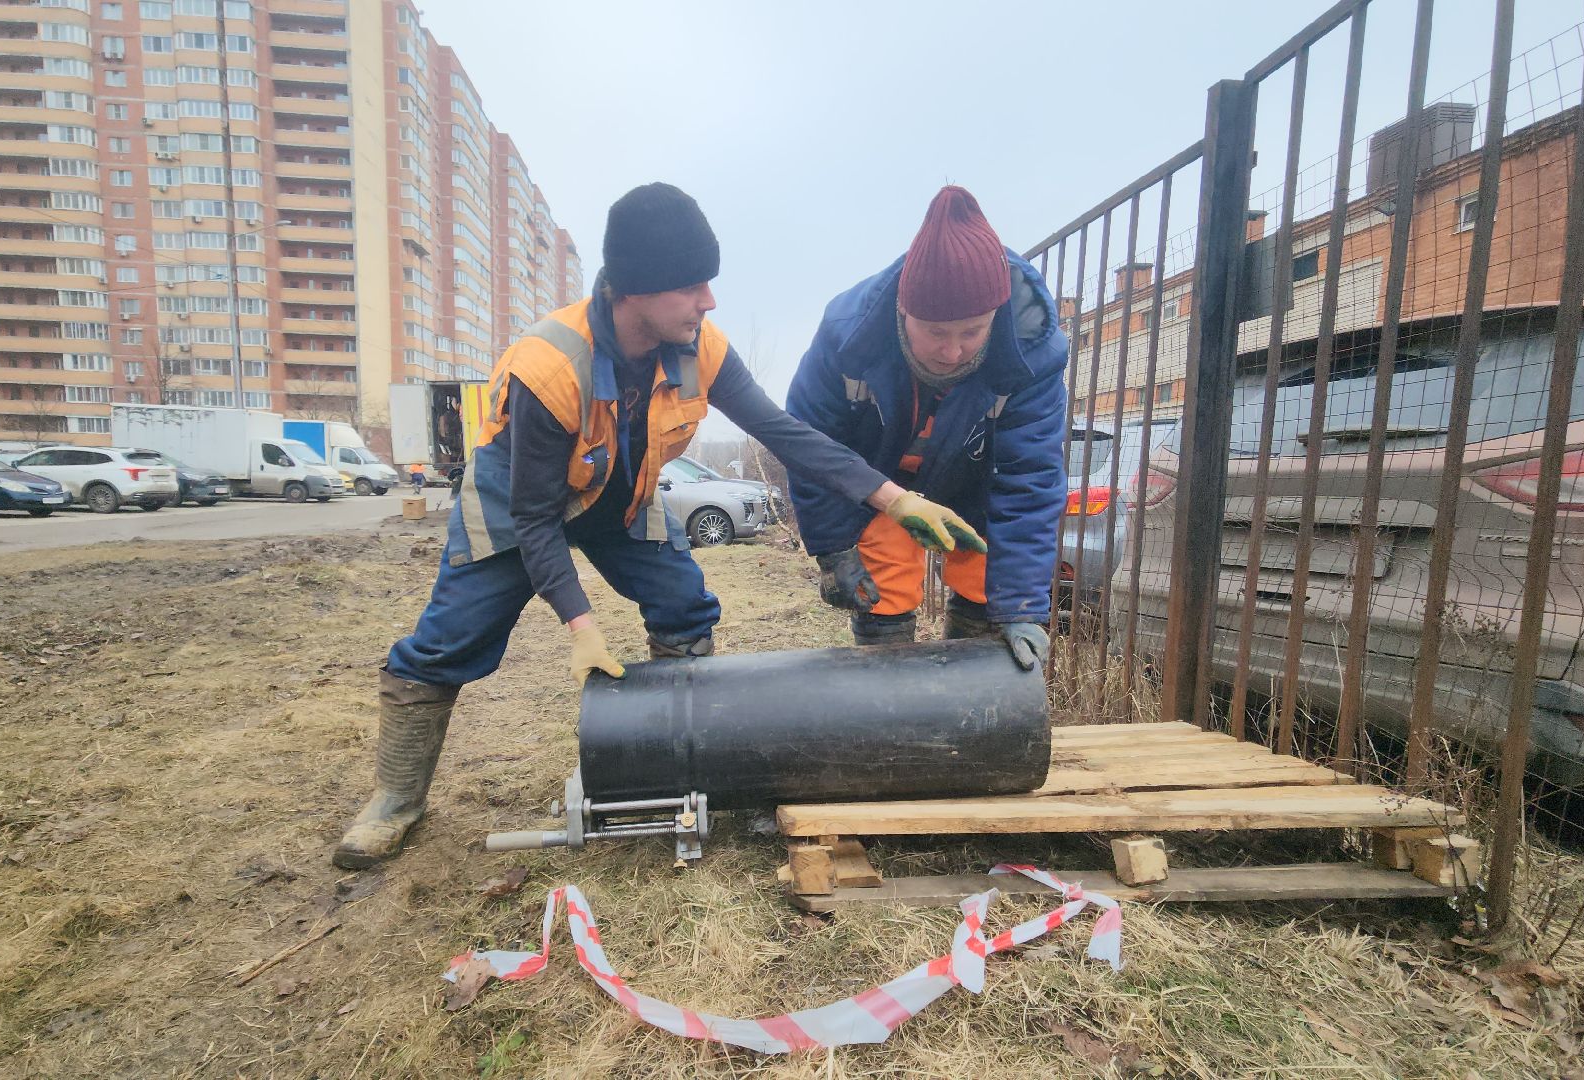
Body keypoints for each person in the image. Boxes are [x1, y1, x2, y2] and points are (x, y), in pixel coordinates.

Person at [332, 182, 981, 868]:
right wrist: (581, 626)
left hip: (621, 495)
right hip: (516, 503)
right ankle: (396, 798)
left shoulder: (699, 346)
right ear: (634, 290)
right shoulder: (548, 368)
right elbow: (535, 518)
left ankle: (675, 763)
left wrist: (892, 499)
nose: (709, 300)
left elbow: (784, 432)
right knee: (445, 643)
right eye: (691, 285)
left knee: (684, 605)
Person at [785, 185, 1068, 670]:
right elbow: (811, 446)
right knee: (883, 586)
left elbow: (1031, 476)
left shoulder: (1032, 353)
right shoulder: (846, 335)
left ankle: (973, 708)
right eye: (936, 332)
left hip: (977, 483)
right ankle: (890, 714)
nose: (953, 351)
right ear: (903, 310)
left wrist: (1020, 604)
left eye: (971, 332)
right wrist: (833, 547)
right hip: (880, 483)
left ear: (995, 317)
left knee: (988, 576)